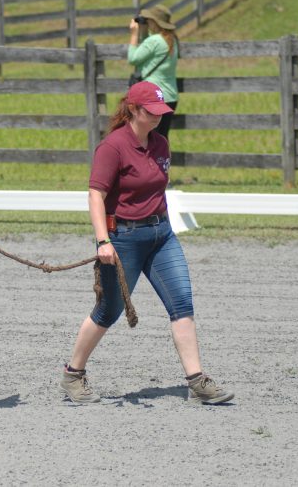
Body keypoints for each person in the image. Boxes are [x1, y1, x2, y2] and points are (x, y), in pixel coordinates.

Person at [60, 81, 233, 405]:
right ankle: (73, 374)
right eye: (151, 113)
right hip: (123, 239)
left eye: (161, 113)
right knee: (107, 311)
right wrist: (103, 241)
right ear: (134, 110)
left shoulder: (161, 144)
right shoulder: (112, 147)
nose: (157, 118)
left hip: (162, 235)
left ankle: (197, 382)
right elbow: (95, 194)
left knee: (182, 304)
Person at [128, 4, 179, 139]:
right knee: (161, 139)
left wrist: (134, 34)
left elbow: (133, 58)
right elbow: (148, 49)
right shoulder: (172, 39)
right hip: (170, 96)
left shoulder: (155, 40)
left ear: (154, 22)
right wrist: (144, 32)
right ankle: (164, 160)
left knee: (150, 141)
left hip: (154, 97)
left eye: (148, 20)